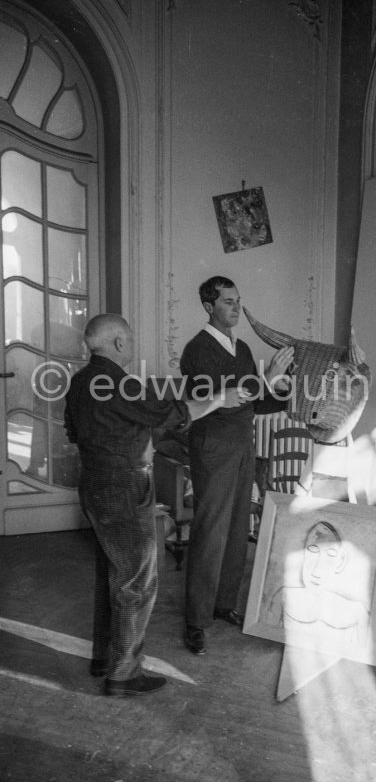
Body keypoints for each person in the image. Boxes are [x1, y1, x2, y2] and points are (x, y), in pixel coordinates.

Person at [64, 313, 246, 696]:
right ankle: (123, 674)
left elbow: (74, 430)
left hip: (93, 484)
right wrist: (221, 398)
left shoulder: (80, 382)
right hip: (124, 486)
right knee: (137, 580)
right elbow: (174, 415)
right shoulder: (119, 384)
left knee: (112, 574)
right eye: (129, 341)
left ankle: (104, 658)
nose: (131, 347)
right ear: (117, 344)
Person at [180, 276, 294, 655]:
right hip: (213, 448)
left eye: (238, 300)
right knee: (211, 531)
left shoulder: (241, 347)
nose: (236, 308)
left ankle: (223, 603)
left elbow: (253, 404)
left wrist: (285, 390)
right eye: (228, 301)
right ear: (209, 306)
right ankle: (196, 620)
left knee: (237, 525)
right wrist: (266, 379)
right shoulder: (196, 351)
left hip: (242, 445)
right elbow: (227, 399)